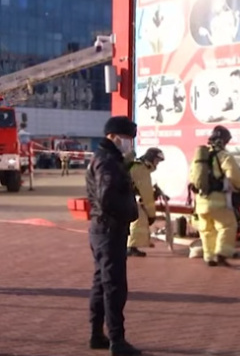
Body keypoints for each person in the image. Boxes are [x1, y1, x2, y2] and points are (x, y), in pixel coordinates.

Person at [85, 116, 142, 356]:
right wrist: (130, 210)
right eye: (127, 139)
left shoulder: (109, 159)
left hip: (104, 229)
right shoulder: (107, 162)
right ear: (114, 137)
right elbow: (107, 198)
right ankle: (117, 340)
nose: (129, 144)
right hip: (110, 229)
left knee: (102, 282)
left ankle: (97, 334)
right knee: (114, 285)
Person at [189, 126, 240, 266]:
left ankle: (209, 257)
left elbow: (193, 179)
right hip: (217, 200)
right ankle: (222, 253)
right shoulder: (223, 155)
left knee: (207, 230)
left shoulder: (199, 158)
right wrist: (239, 186)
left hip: (201, 202)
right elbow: (235, 175)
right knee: (228, 225)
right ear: (224, 140)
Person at [125, 147, 165, 257]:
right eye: (157, 161)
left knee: (136, 221)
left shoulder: (139, 167)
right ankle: (131, 247)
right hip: (131, 199)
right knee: (139, 221)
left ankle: (131, 246)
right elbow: (146, 194)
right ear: (151, 159)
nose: (157, 163)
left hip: (128, 198)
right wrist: (151, 214)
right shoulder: (141, 169)